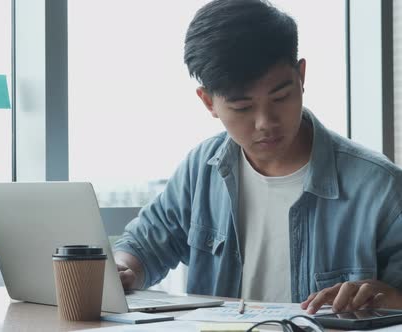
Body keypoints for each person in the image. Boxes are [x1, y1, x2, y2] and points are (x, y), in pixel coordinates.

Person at [113, 0, 402, 314]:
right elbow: (143, 246)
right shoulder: (201, 170)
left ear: (301, 76)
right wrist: (123, 269)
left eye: (281, 97)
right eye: (242, 107)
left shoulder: (379, 186)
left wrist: (387, 298)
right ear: (208, 102)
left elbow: (396, 296)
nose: (265, 122)